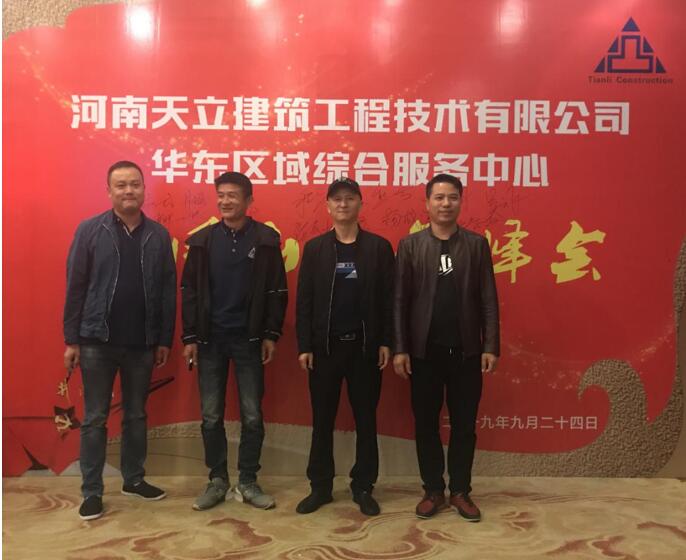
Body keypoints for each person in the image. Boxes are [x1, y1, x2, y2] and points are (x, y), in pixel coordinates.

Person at [63, 160, 177, 520]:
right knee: (95, 418)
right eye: (121, 185)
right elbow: (75, 285)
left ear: (144, 189)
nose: (129, 191)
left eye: (135, 184)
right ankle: (91, 491)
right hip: (96, 341)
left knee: (136, 415)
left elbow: (167, 291)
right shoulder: (90, 230)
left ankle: (134, 479)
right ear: (109, 191)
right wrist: (72, 339)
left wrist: (163, 339)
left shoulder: (158, 235)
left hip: (141, 343)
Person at [393, 173, 500, 522]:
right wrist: (400, 348)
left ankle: (461, 491)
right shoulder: (410, 246)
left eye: (452, 197)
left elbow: (488, 299)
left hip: (466, 352)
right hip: (423, 353)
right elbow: (399, 301)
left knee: (464, 425)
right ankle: (433, 490)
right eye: (438, 197)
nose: (445, 204)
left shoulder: (476, 245)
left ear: (460, 202)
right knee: (425, 424)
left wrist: (490, 345)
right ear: (427, 203)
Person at [181, 171, 287, 511]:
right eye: (221, 195)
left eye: (233, 195)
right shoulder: (202, 242)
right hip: (210, 340)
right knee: (211, 416)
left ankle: (248, 481)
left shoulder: (266, 240)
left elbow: (277, 291)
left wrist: (271, 334)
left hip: (249, 340)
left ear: (248, 200)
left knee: (252, 415)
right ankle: (217, 480)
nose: (225, 201)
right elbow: (190, 291)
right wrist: (190, 336)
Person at [295, 177, 395, 516]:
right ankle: (320, 486)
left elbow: (389, 300)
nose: (343, 204)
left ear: (360, 204)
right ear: (327, 206)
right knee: (322, 420)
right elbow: (305, 301)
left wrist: (386, 341)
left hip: (365, 349)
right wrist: (305, 345)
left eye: (349, 198)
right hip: (325, 349)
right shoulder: (315, 249)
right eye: (336, 199)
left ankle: (363, 486)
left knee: (366, 420)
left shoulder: (379, 248)